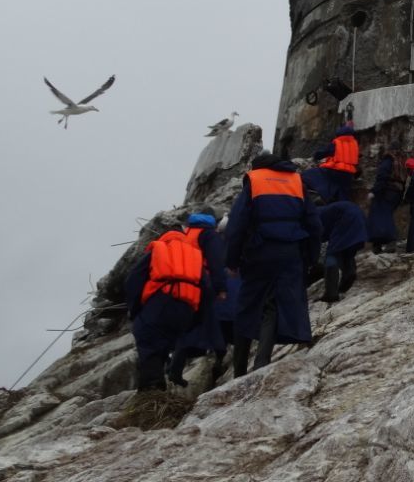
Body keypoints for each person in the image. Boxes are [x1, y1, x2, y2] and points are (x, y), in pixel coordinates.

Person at [224, 151, 321, 376]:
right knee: (273, 306)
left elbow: (237, 224)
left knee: (247, 306)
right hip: (291, 251)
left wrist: (231, 260)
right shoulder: (296, 181)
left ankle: (239, 370)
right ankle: (261, 362)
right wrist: (312, 257)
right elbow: (314, 223)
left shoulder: (255, 180)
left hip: (259, 251)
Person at [124, 208, 226, 391]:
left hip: (161, 302)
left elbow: (133, 279)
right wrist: (196, 319)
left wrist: (135, 309)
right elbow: (206, 288)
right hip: (186, 309)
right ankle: (160, 385)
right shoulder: (194, 256)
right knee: (164, 344)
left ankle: (151, 395)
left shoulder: (158, 250)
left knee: (147, 342)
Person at [165, 208, 228, 388]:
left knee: (193, 324)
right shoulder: (209, 236)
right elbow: (216, 262)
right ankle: (218, 356)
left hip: (182, 284)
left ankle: (174, 365)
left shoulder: (188, 233)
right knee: (204, 322)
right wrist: (221, 287)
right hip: (203, 283)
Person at [316, 200, 368, 302]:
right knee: (347, 251)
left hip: (347, 218)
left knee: (332, 254)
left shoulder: (315, 214)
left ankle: (331, 293)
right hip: (359, 217)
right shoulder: (327, 211)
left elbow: (317, 234)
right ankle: (348, 276)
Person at [365, 146, 404, 254]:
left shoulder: (387, 161)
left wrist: (374, 191)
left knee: (378, 216)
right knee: (385, 215)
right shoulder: (400, 162)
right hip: (397, 192)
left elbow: (382, 177)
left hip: (386, 191)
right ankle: (378, 243)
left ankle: (386, 242)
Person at [310, 121, 360, 203]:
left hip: (336, 170)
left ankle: (325, 196)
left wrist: (315, 156)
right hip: (349, 173)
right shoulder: (355, 143)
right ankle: (344, 209)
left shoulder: (337, 142)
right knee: (344, 195)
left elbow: (324, 152)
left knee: (312, 174)